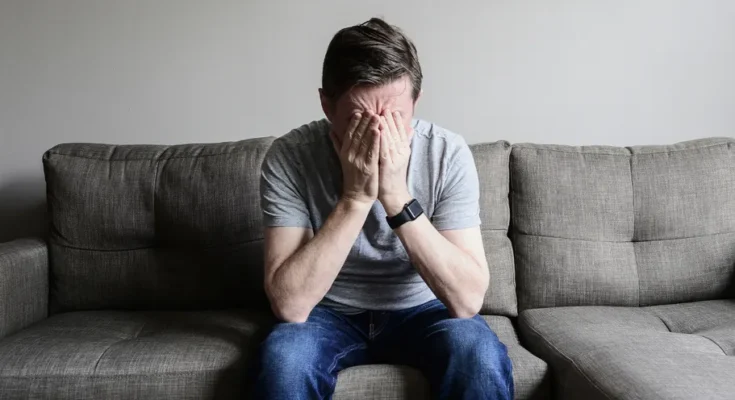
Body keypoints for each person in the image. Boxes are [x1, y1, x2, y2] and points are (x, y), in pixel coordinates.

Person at [253, 17, 514, 400]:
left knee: (479, 355)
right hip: (328, 312)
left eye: (395, 118)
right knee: (284, 361)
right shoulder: (289, 157)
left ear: (416, 103)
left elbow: (467, 299)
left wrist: (397, 196)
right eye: (358, 119)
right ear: (327, 104)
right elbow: (290, 305)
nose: (377, 133)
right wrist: (355, 199)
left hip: (424, 309)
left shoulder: (446, 152)